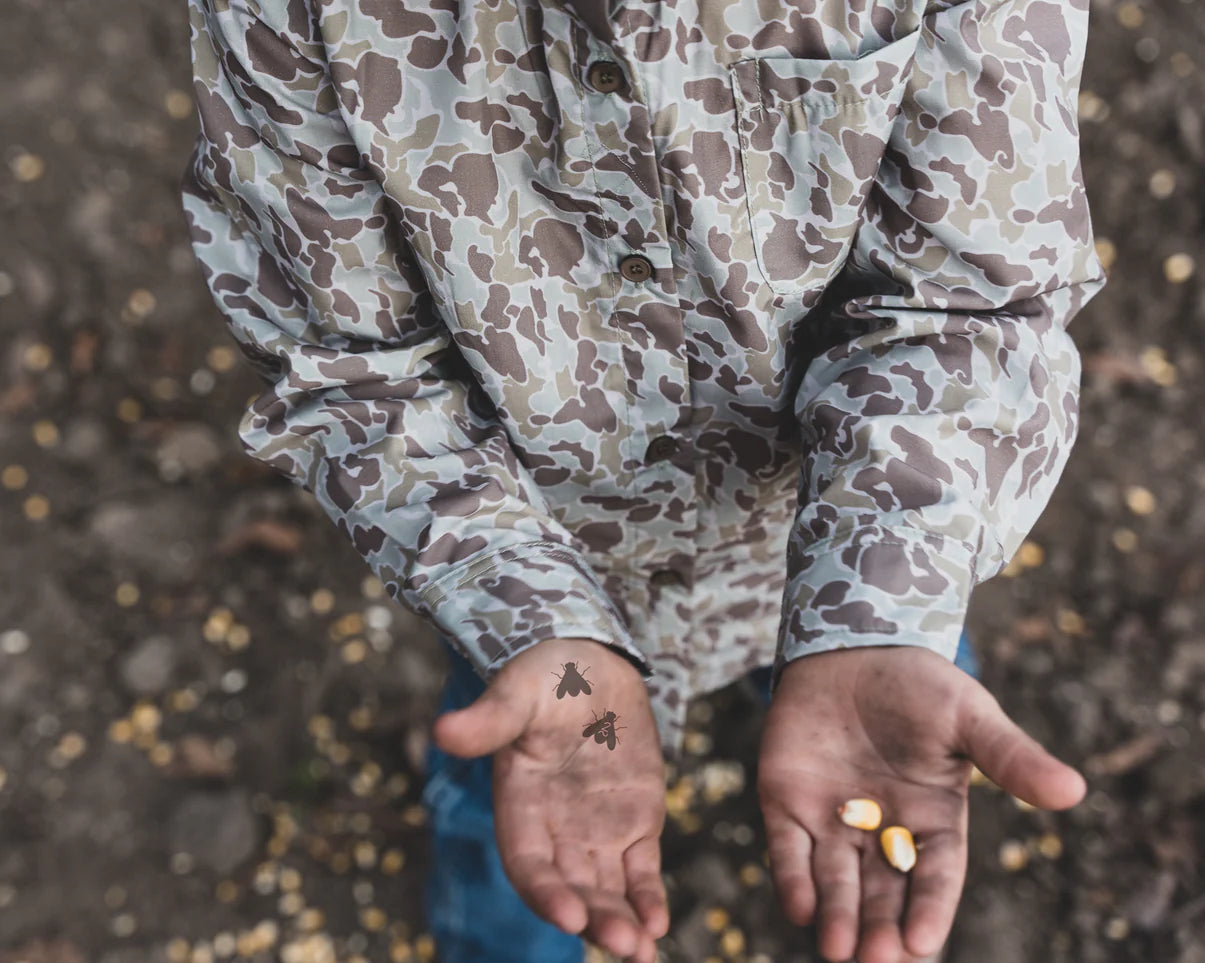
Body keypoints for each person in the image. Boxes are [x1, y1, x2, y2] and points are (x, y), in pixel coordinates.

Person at [180, 0, 1106, 958]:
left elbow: (966, 300)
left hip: (821, 535)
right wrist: (530, 615)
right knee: (513, 817)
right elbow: (353, 367)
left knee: (899, 688)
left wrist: (878, 609)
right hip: (529, 558)